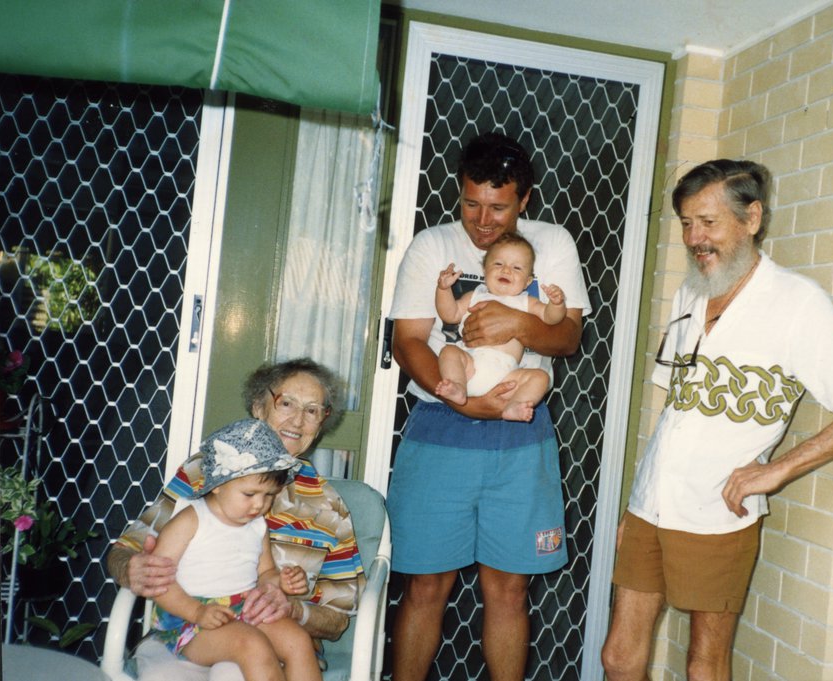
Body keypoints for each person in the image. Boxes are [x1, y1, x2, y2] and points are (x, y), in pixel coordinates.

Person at [600, 159, 833, 681]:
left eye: (708, 223)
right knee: (619, 658)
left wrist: (774, 472)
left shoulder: (798, 303)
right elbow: (674, 410)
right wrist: (636, 502)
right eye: (687, 223)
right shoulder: (689, 293)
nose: (695, 238)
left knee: (703, 665)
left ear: (752, 217)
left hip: (719, 512)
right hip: (653, 505)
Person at [387, 131, 591, 681]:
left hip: (520, 428)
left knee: (508, 585)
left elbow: (567, 337)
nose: (482, 220)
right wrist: (462, 402)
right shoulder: (432, 244)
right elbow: (408, 340)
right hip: (439, 423)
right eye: (471, 203)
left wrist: (519, 322)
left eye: (498, 208)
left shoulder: (553, 243)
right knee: (427, 583)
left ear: (525, 201)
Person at [107, 358, 365, 681]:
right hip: (191, 633)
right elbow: (125, 549)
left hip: (276, 646)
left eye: (312, 410)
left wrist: (294, 608)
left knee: (236, 670)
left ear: (321, 422)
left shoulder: (330, 508)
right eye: (286, 403)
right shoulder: (206, 471)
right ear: (259, 407)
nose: (298, 421)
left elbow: (339, 616)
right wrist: (132, 569)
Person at [149, 418, 320, 681]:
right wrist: (197, 612)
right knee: (252, 646)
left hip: (244, 609)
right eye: (250, 494)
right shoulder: (190, 520)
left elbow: (265, 574)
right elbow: (158, 582)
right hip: (191, 621)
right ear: (217, 485)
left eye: (268, 496)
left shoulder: (257, 525)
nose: (259, 505)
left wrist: (282, 581)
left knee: (298, 640)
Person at [435, 232, 566, 422]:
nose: (506, 270)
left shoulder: (526, 302)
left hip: (508, 376)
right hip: (469, 368)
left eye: (517, 267)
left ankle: (514, 406)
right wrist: (443, 290)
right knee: (448, 351)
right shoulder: (475, 295)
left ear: (528, 281)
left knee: (540, 377)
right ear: (485, 269)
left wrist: (556, 304)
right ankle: (457, 386)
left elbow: (550, 317)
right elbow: (450, 314)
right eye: (498, 264)